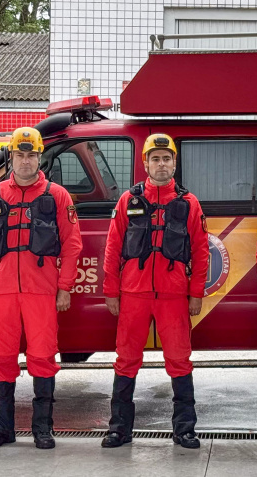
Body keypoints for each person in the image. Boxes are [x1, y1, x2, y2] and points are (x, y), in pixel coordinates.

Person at [0, 127, 82, 449]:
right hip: (1, 289)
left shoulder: (57, 195)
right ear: (11, 156)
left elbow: (72, 245)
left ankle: (42, 429)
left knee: (43, 356)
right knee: (0, 356)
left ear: (39, 157)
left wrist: (64, 287)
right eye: (19, 155)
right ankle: (1, 429)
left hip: (41, 290)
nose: (25, 161)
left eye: (31, 154)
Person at [101, 133, 209, 450]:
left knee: (179, 359)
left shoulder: (189, 203)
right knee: (126, 360)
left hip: (174, 295)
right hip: (133, 294)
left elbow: (201, 251)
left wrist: (196, 293)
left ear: (174, 163)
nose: (161, 164)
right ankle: (119, 429)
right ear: (145, 162)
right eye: (155, 158)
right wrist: (111, 290)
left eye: (167, 159)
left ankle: (184, 430)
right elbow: (112, 247)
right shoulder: (128, 201)